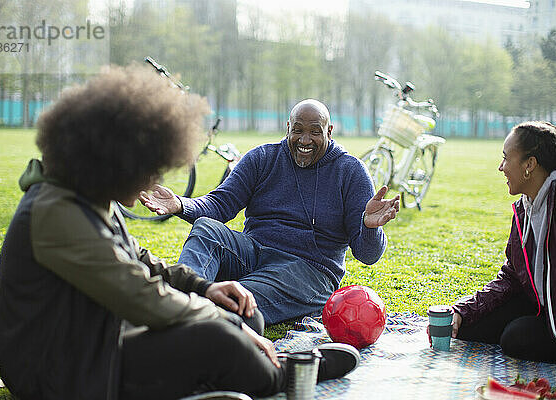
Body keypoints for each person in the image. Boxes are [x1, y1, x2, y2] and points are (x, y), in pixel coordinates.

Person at [0, 66, 359, 400]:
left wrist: (206, 289)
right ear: (113, 160)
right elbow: (138, 296)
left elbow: (143, 262)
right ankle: (285, 375)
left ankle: (217, 377)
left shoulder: (88, 198)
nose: (153, 180)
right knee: (221, 333)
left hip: (101, 342)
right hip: (63, 372)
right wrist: (221, 320)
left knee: (245, 313)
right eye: (149, 168)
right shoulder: (56, 212)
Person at [141, 99, 400, 325]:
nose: (305, 140)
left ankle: (192, 317)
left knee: (237, 300)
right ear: (288, 128)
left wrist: (369, 226)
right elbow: (220, 204)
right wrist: (180, 203)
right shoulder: (262, 159)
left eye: (314, 132)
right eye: (297, 130)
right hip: (254, 252)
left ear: (329, 132)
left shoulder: (351, 172)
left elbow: (367, 255)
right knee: (206, 228)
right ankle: (184, 295)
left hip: (309, 271)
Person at [448, 121, 556, 363]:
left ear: (529, 164)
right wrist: (462, 311)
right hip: (540, 306)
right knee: (464, 328)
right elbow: (512, 276)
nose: (500, 167)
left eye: (506, 158)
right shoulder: (524, 208)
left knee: (516, 339)